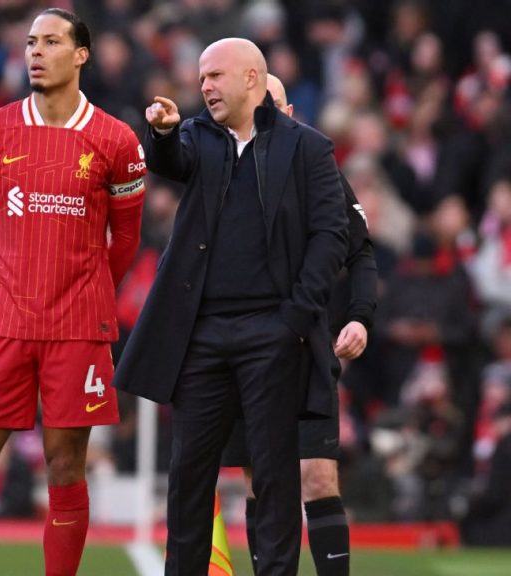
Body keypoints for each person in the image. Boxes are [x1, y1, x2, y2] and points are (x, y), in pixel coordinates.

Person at [0, 9, 147, 576]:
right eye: (29, 42)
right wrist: (10, 273)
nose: (35, 52)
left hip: (78, 325)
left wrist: (88, 288)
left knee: (65, 467)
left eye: (50, 41)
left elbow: (127, 238)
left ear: (81, 54)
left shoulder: (115, 139)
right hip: (4, 321)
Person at [114, 39, 348, 576]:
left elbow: (330, 236)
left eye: (216, 76)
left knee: (273, 475)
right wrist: (163, 131)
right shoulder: (197, 136)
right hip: (202, 334)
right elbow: (171, 161)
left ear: (252, 79)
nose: (205, 87)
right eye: (201, 79)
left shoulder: (308, 148)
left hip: (273, 331)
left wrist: (294, 316)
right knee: (188, 471)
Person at [219, 74, 378, 576]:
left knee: (317, 478)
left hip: (305, 348)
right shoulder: (219, 167)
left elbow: (361, 252)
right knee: (259, 482)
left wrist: (359, 317)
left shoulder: (319, 168)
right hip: (240, 351)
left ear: (289, 113)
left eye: (272, 105)